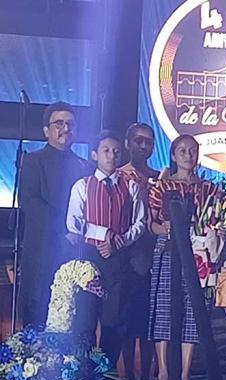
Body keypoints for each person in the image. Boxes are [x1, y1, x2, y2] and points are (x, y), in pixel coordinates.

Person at [65, 131, 146, 365]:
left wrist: (119, 241)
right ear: (94, 155)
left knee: (115, 319)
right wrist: (105, 234)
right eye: (106, 150)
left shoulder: (131, 186)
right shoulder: (82, 185)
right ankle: (81, 371)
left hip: (118, 259)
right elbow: (74, 224)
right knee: (85, 317)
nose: (112, 155)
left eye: (116, 151)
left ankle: (106, 373)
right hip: (89, 259)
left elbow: (139, 223)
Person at [148, 135, 220, 380]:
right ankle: (163, 373)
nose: (188, 156)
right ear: (173, 155)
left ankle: (185, 373)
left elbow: (216, 220)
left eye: (192, 151)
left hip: (198, 252)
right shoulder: (162, 187)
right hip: (168, 249)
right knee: (164, 308)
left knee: (193, 309)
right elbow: (151, 223)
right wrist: (166, 229)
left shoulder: (209, 189)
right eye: (183, 151)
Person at [19, 101, 89, 327]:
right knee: (37, 318)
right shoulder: (33, 161)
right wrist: (64, 229)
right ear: (46, 130)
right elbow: (31, 203)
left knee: (73, 318)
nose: (65, 128)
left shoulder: (84, 166)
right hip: (42, 250)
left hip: (75, 250)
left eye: (70, 124)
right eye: (59, 123)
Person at [119, 123, 158, 380]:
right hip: (124, 255)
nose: (143, 146)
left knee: (149, 320)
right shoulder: (117, 175)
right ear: (127, 143)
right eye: (138, 141)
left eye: (148, 141)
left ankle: (147, 375)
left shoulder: (159, 177)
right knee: (126, 318)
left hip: (153, 253)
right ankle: (126, 375)